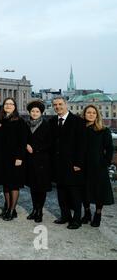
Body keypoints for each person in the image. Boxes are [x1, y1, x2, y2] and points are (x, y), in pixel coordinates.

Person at [50, 96, 86, 230]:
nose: (57, 107)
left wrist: (78, 163)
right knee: (61, 192)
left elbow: (82, 145)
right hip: (58, 164)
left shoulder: (77, 121)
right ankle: (65, 216)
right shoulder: (53, 121)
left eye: (60, 104)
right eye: (55, 105)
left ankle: (77, 219)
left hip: (72, 164)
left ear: (66, 104)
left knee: (74, 193)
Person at [81, 105, 115, 227]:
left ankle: (98, 214)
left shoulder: (103, 130)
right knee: (84, 190)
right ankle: (87, 213)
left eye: (93, 113)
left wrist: (106, 162)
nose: (91, 115)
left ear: (97, 115)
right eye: (88, 112)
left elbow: (110, 148)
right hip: (83, 165)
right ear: (84, 114)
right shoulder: (80, 129)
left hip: (98, 165)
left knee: (99, 191)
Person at [0, 97, 27, 221]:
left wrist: (19, 157)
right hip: (3, 158)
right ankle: (8, 207)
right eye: (6, 104)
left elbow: (22, 141)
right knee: (5, 184)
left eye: (11, 104)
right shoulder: (0, 120)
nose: (8, 106)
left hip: (15, 158)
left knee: (13, 185)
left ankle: (12, 210)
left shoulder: (20, 121)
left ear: (15, 106)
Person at [25, 100, 52, 223]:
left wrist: (35, 149)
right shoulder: (27, 124)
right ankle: (34, 209)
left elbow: (50, 143)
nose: (35, 113)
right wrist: (26, 145)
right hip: (30, 161)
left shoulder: (47, 125)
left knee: (41, 188)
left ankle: (40, 211)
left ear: (41, 113)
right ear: (30, 112)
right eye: (32, 111)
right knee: (33, 187)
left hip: (43, 161)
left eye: (37, 111)